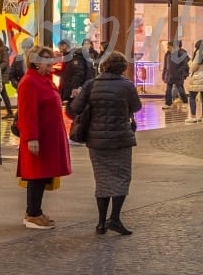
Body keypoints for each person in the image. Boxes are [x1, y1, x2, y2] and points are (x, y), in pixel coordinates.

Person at [68, 52, 142, 235]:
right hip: (121, 139)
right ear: (122, 68)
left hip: (97, 140)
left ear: (104, 66)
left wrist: (77, 97)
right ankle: (115, 218)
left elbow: (74, 109)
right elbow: (137, 107)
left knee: (102, 179)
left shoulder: (91, 85)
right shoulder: (127, 86)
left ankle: (101, 223)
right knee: (122, 177)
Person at [16, 46, 72, 230]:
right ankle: (32, 214)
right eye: (46, 60)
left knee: (43, 175)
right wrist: (31, 137)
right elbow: (27, 113)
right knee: (36, 175)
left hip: (48, 137)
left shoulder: (45, 80)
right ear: (35, 62)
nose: (50, 64)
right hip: (38, 138)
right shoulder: (29, 82)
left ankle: (36, 211)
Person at [59, 38, 96, 106]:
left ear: (65, 45)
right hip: (73, 90)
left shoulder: (74, 56)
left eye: (60, 47)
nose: (59, 49)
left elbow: (78, 73)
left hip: (73, 92)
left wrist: (74, 88)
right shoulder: (70, 56)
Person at [162, 41, 188, 108]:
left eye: (169, 47)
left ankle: (185, 101)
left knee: (181, 90)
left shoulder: (180, 53)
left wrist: (179, 71)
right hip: (169, 75)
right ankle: (168, 104)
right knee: (168, 90)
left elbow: (185, 65)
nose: (168, 48)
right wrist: (164, 74)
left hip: (178, 76)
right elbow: (165, 65)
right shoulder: (167, 54)